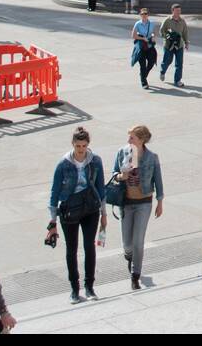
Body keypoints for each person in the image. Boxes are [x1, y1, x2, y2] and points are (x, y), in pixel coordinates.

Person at [47, 126, 107, 303]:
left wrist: (104, 213)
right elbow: (54, 192)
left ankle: (90, 287)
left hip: (90, 208)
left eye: (84, 146)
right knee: (71, 250)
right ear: (72, 144)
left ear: (88, 145)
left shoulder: (95, 161)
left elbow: (101, 187)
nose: (81, 150)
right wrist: (52, 221)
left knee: (90, 246)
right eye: (78, 146)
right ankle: (74, 288)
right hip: (69, 210)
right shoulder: (63, 164)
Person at [112, 125, 164, 291]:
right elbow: (114, 175)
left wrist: (159, 202)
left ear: (141, 140)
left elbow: (158, 181)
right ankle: (129, 256)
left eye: (132, 138)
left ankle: (136, 275)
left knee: (138, 240)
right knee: (127, 243)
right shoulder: (123, 152)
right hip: (126, 202)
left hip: (144, 202)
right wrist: (122, 176)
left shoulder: (152, 157)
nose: (129, 141)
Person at [158, 3, 189, 87]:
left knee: (179, 64)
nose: (179, 12)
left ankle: (177, 80)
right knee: (167, 61)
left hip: (179, 45)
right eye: (177, 11)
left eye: (180, 11)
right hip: (169, 45)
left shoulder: (182, 21)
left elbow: (185, 32)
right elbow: (161, 31)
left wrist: (186, 42)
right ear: (172, 11)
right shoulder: (167, 20)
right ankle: (162, 72)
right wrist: (168, 36)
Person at [130, 8, 158, 89]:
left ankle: (143, 75)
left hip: (149, 45)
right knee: (142, 64)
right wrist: (142, 38)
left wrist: (153, 36)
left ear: (148, 15)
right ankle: (144, 82)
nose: (144, 15)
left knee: (151, 62)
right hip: (141, 45)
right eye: (142, 14)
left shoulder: (151, 23)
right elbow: (133, 36)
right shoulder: (138, 24)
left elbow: (154, 33)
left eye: (145, 14)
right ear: (140, 15)